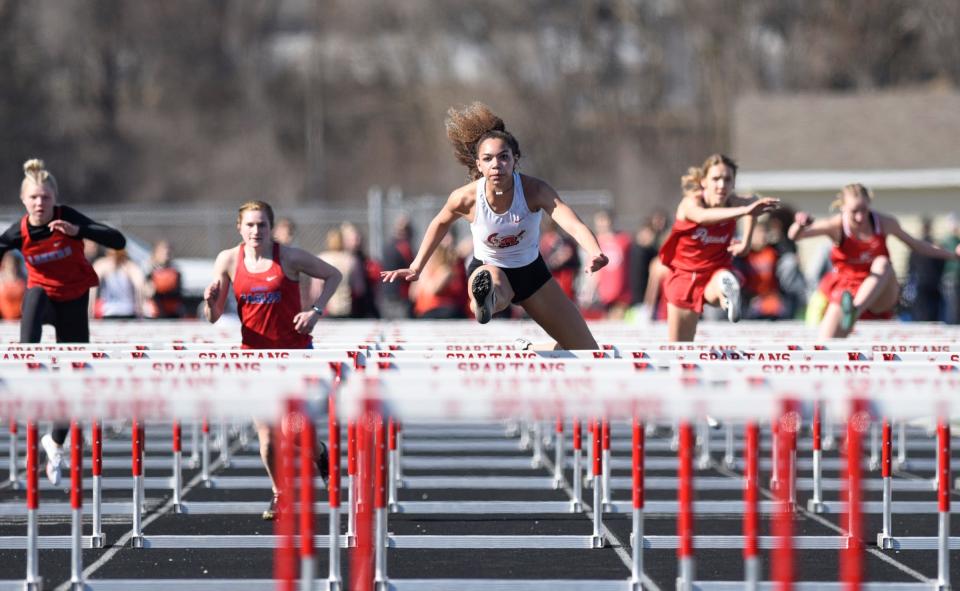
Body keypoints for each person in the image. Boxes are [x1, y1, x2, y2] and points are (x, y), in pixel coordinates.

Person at [381, 102, 608, 349]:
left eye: (503, 157)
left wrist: (594, 250)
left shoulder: (534, 191)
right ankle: (485, 300)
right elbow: (440, 223)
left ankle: (530, 349)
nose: (496, 165)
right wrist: (417, 266)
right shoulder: (466, 198)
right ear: (479, 165)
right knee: (493, 285)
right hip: (489, 267)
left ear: (515, 160)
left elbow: (572, 224)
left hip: (532, 273)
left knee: (586, 349)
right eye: (488, 159)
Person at [203, 200, 342, 519]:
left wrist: (316, 311)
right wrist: (210, 302)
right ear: (239, 227)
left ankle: (320, 454)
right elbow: (213, 316)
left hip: (294, 355)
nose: (256, 231)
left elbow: (334, 275)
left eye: (262, 225)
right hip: (254, 357)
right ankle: (280, 494)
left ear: (271, 227)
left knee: (292, 429)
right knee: (266, 435)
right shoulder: (227, 260)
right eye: (250, 225)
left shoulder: (289, 257)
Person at [0, 158, 126, 484]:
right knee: (36, 293)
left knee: (75, 375)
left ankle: (55, 440)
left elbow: (117, 241)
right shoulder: (18, 231)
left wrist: (78, 231)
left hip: (72, 302)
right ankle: (30, 370)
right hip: (41, 299)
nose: (40, 203)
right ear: (24, 201)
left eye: (45, 197)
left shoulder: (65, 217)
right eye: (34, 198)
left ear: (54, 199)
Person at [788, 184, 960, 338]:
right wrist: (799, 225)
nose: (860, 217)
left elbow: (917, 245)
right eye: (854, 212)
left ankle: (854, 310)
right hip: (848, 290)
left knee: (882, 262)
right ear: (843, 209)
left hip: (881, 293)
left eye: (864, 210)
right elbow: (795, 236)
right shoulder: (836, 226)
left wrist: (953, 255)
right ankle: (851, 311)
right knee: (825, 341)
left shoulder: (885, 223)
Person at [658, 154, 780, 341]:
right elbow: (702, 217)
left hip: (714, 271)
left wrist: (746, 243)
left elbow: (753, 202)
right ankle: (726, 288)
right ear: (704, 181)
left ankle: (727, 291)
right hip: (685, 275)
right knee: (679, 346)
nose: (722, 185)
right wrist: (745, 211)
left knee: (721, 280)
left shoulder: (735, 201)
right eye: (716, 179)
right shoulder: (691, 202)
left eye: (727, 179)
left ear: (733, 183)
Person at [905, 217, 946, 321]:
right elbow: (941, 263)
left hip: (921, 281)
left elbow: (910, 265)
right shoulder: (935, 245)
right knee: (933, 311)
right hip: (933, 281)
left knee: (920, 310)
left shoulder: (916, 245)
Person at [91, 248, 145, 319]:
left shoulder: (102, 265)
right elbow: (139, 288)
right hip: (124, 311)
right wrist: (140, 312)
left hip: (113, 311)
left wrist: (90, 313)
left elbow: (92, 289)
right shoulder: (131, 268)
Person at [145, 240, 185, 319]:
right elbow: (148, 291)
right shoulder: (150, 271)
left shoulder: (175, 271)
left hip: (172, 311)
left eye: (168, 252)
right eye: (163, 252)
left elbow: (178, 292)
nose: (166, 255)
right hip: (155, 312)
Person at [0, 252, 26, 320]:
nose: (13, 267)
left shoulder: (25, 280)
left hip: (21, 320)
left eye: (15, 264)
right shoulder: (1, 280)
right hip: (4, 322)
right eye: (10, 264)